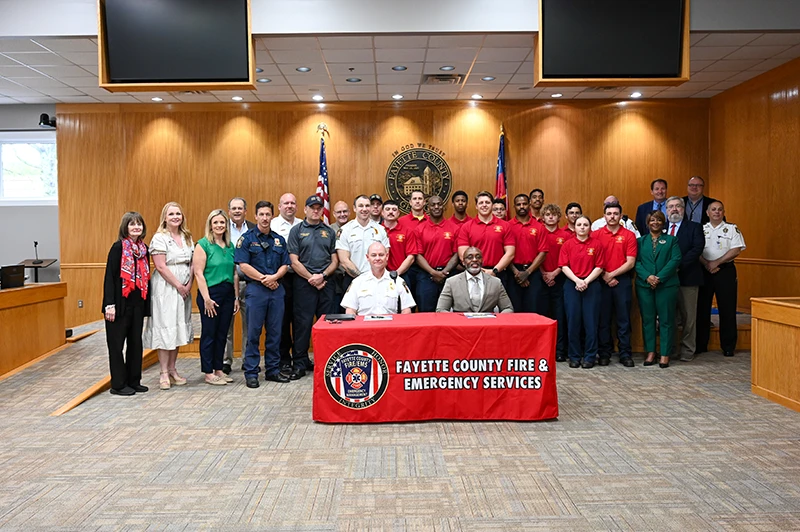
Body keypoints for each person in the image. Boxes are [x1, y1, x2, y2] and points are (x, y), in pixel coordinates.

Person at [235, 200, 291, 388]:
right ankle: (251, 372)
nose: (265, 218)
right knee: (253, 333)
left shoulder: (279, 239)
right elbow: (243, 265)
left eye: (268, 214)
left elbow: (286, 264)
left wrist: (274, 277)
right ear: (255, 216)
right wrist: (263, 279)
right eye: (262, 214)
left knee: (275, 332)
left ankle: (273, 371)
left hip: (276, 290)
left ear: (272, 216)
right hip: (256, 291)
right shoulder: (247, 239)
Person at [143, 202, 194, 390]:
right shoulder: (159, 238)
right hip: (166, 287)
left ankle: (173, 369)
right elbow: (161, 266)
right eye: (171, 214)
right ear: (165, 217)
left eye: (178, 213)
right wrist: (179, 285)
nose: (175, 217)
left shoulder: (187, 237)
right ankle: (163, 372)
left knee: (178, 327)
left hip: (184, 288)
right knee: (166, 327)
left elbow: (192, 263)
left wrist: (188, 284)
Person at [287, 196, 339, 380]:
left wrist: (322, 276)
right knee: (302, 324)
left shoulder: (329, 231)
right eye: (312, 208)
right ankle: (300, 363)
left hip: (326, 283)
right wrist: (311, 278)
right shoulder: (296, 231)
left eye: (319, 208)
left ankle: (326, 362)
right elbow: (294, 261)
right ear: (306, 209)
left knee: (327, 324)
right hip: (304, 284)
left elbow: (335, 260)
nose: (316, 211)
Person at [102, 212, 151, 396]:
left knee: (135, 344)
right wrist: (109, 304)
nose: (136, 227)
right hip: (118, 304)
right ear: (125, 227)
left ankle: (134, 380)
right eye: (132, 224)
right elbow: (110, 278)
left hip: (137, 303)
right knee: (116, 345)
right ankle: (118, 384)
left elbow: (146, 278)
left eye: (139, 224)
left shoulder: (144, 249)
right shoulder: (118, 248)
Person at [193, 209, 238, 386]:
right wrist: (206, 299)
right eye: (216, 222)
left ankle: (219, 369)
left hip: (227, 292)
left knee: (222, 333)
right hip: (210, 293)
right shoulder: (203, 245)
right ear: (210, 225)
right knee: (209, 333)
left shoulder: (229, 246)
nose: (219, 225)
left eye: (222, 222)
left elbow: (234, 273)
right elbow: (198, 273)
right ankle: (208, 372)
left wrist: (235, 297)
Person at [697, 201, 746, 358]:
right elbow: (695, 249)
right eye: (713, 210)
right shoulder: (701, 229)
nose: (716, 212)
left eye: (719, 210)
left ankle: (728, 346)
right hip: (704, 270)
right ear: (707, 213)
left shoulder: (731, 228)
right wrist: (707, 264)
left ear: (723, 212)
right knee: (702, 308)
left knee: (727, 308)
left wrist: (716, 262)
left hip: (725, 270)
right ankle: (701, 344)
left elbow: (736, 249)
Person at [592, 203, 637, 367]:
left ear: (620, 216)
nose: (612, 216)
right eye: (609, 213)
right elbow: (592, 259)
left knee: (623, 319)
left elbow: (630, 262)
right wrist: (605, 275)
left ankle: (625, 353)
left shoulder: (629, 235)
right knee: (603, 320)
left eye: (615, 213)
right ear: (604, 216)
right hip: (601, 281)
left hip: (622, 281)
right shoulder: (595, 235)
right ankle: (604, 353)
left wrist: (612, 274)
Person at [635, 211, 682, 368]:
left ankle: (664, 354)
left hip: (666, 286)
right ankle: (650, 352)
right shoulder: (640, 241)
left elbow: (675, 259)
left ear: (664, 223)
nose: (655, 222)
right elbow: (636, 262)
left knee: (666, 320)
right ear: (648, 223)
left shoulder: (671, 240)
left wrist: (659, 277)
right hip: (644, 285)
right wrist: (648, 277)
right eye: (652, 220)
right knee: (648, 320)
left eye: (659, 220)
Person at [558, 215, 605, 369]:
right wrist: (577, 281)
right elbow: (564, 266)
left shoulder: (597, 244)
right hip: (572, 285)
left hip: (591, 285)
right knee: (573, 322)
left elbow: (600, 266)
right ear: (575, 227)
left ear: (590, 227)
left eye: (585, 224)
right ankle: (574, 356)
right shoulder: (567, 244)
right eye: (579, 224)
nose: (582, 227)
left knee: (591, 323)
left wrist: (586, 281)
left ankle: (590, 356)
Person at [664, 196, 705, 362]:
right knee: (669, 317)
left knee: (689, 317)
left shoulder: (694, 227)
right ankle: (670, 350)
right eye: (671, 207)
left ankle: (688, 351)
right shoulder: (661, 227)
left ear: (684, 209)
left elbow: (697, 249)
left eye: (678, 206)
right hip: (666, 281)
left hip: (688, 278)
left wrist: (676, 265)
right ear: (666, 211)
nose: (674, 209)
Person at [457, 191, 515, 292]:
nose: (484, 205)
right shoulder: (466, 227)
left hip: (498, 273)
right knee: (475, 306)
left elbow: (510, 253)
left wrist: (494, 270)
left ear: (492, 205)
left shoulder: (505, 226)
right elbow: (463, 254)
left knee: (499, 307)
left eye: (487, 202)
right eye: (481, 203)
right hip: (473, 273)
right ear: (476, 206)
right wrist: (479, 270)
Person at [336, 194, 390, 304]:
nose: (364, 209)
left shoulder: (381, 230)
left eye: (367, 206)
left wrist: (372, 278)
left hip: (378, 280)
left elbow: (385, 256)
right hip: (352, 280)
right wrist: (362, 278)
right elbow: (344, 260)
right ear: (355, 208)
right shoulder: (345, 230)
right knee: (352, 316)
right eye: (361, 206)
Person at [412, 195, 461, 312]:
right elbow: (418, 255)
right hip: (426, 275)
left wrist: (444, 272)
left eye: (439, 204)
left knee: (451, 314)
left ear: (444, 207)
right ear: (427, 208)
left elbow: (456, 254)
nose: (436, 207)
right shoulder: (419, 229)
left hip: (449, 275)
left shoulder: (455, 228)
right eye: (433, 205)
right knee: (426, 313)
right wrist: (433, 272)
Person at [272, 193, 302, 375]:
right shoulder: (273, 225)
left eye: (292, 203)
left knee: (299, 319)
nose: (289, 206)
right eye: (286, 203)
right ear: (280, 206)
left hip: (300, 278)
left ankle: (300, 358)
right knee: (282, 321)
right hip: (280, 278)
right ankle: (283, 359)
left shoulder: (302, 224)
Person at [341, 242, 415, 315]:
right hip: (365, 326)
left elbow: (406, 311)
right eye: (373, 255)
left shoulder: (397, 281)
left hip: (390, 325)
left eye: (381, 255)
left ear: (387, 256)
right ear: (367, 257)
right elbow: (350, 310)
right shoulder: (358, 282)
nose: (377, 258)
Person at [224, 197, 254, 374]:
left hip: (249, 282)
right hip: (228, 282)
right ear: (229, 211)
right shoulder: (221, 227)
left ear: (245, 211)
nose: (237, 211)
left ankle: (247, 359)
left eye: (240, 208)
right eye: (233, 208)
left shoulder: (252, 228)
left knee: (249, 325)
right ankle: (226, 361)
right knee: (227, 324)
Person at [436, 246, 513, 313]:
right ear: (463, 262)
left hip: (488, 325)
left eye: (478, 257)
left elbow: (507, 308)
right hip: (461, 326)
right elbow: (441, 309)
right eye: (470, 257)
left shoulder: (496, 282)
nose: (475, 260)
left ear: (482, 261)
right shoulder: (451, 282)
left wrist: (497, 321)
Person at [540, 204, 570, 361]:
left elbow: (567, 259)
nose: (551, 217)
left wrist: (554, 274)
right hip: (541, 279)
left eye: (554, 214)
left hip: (560, 279)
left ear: (559, 217)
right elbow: (535, 256)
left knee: (560, 316)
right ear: (543, 217)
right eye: (548, 214)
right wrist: (544, 274)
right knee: (543, 316)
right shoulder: (539, 233)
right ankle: (544, 350)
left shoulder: (565, 235)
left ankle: (559, 350)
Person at [508, 193, 547, 313]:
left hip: (533, 273)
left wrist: (527, 272)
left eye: (524, 204)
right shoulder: (507, 226)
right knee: (514, 311)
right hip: (512, 273)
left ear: (529, 205)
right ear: (514, 207)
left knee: (533, 310)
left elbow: (543, 252)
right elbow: (504, 253)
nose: (522, 206)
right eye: (518, 204)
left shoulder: (539, 227)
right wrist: (517, 273)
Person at [381, 200, 415, 284]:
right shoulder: (376, 230)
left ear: (398, 213)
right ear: (382, 213)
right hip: (379, 276)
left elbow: (411, 257)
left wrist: (396, 273)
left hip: (401, 275)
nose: (391, 212)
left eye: (394, 209)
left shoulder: (407, 231)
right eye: (388, 209)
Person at [329, 200, 351, 311]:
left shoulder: (354, 228)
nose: (342, 214)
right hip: (335, 278)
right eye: (339, 212)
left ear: (350, 212)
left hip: (352, 277)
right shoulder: (329, 231)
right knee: (336, 312)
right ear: (334, 214)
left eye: (345, 211)